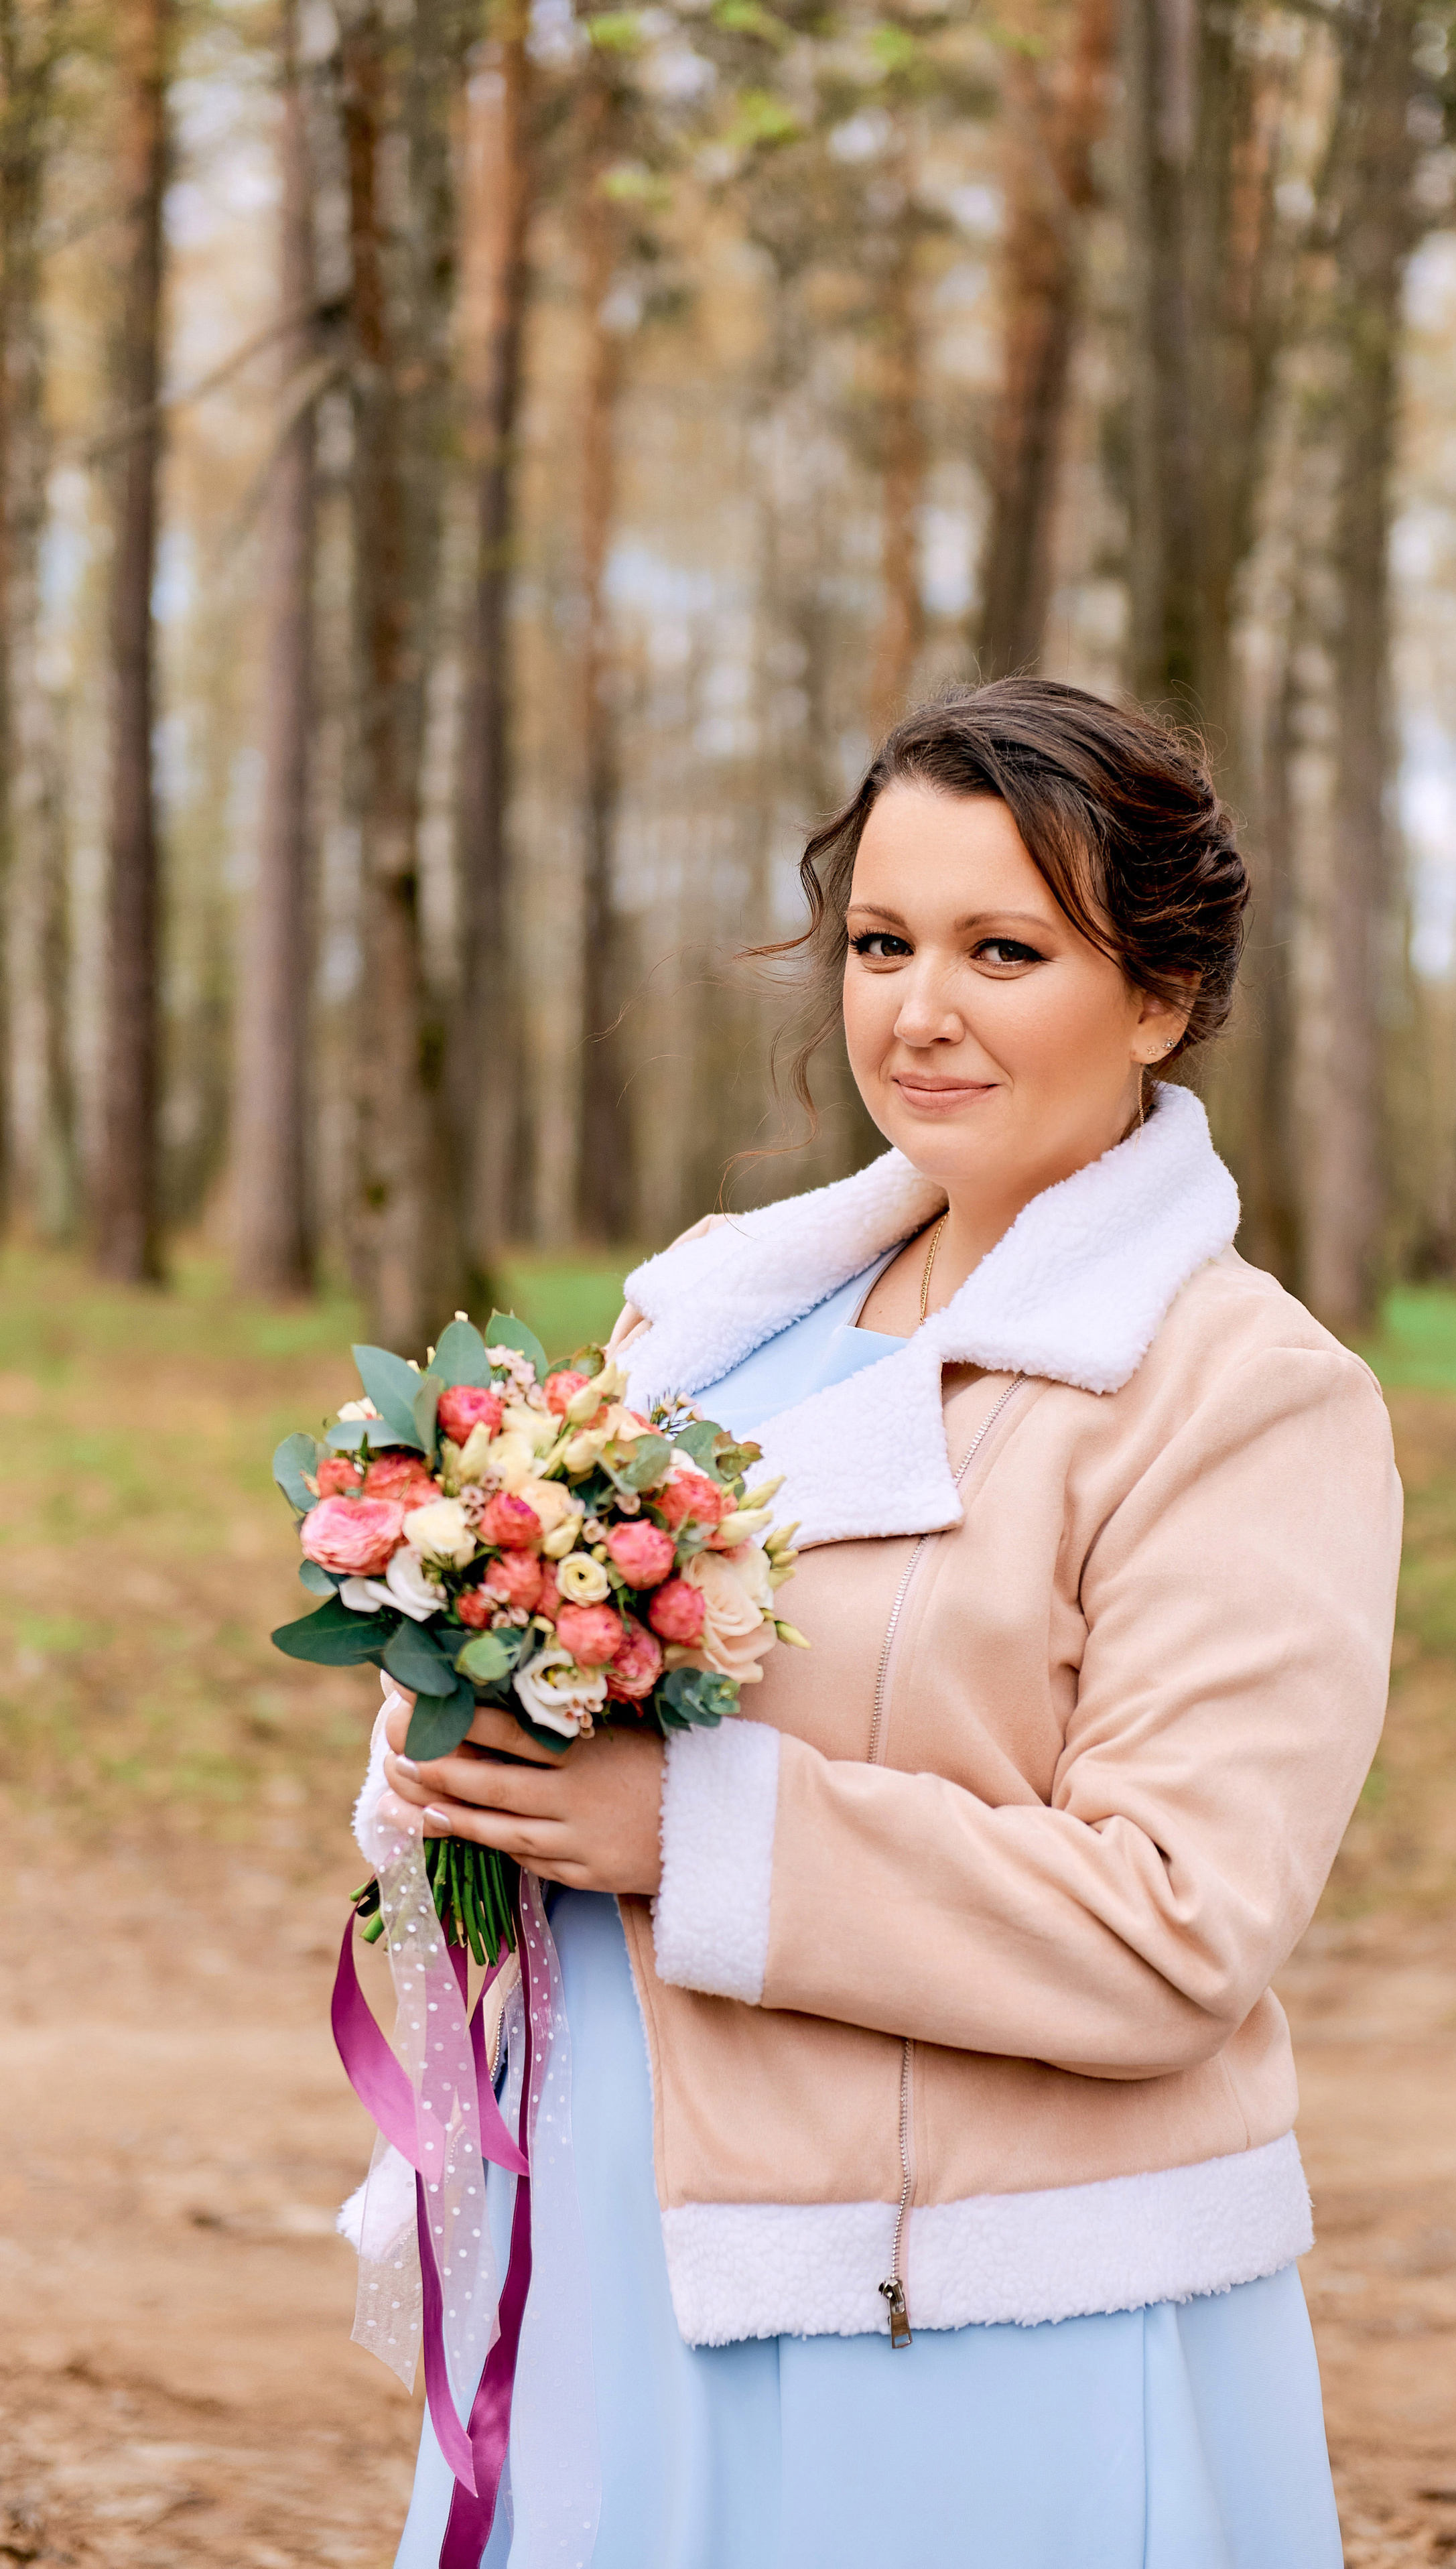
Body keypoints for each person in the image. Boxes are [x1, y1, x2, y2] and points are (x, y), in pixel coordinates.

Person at [360, 676, 1402, 2568]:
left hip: (968, 2316)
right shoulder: (713, 1320)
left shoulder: (1239, 1393)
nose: (919, 1010)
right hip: (618, 2249)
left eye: (1006, 950)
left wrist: (690, 1830)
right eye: (880, 942)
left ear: (1159, 995)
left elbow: (1177, 1922)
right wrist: (471, 1705)